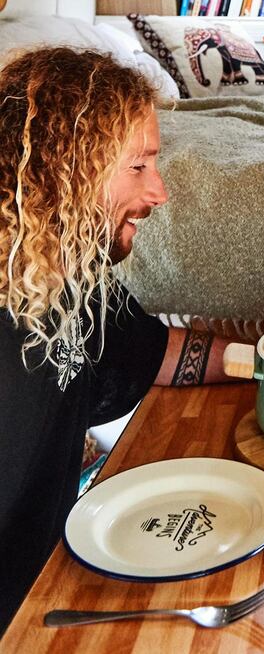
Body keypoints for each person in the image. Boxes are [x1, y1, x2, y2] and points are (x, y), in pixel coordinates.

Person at [0, 47, 243, 634]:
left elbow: (158, 354)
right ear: (64, 166)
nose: (158, 194)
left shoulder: (68, 273)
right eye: (138, 167)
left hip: (54, 586)